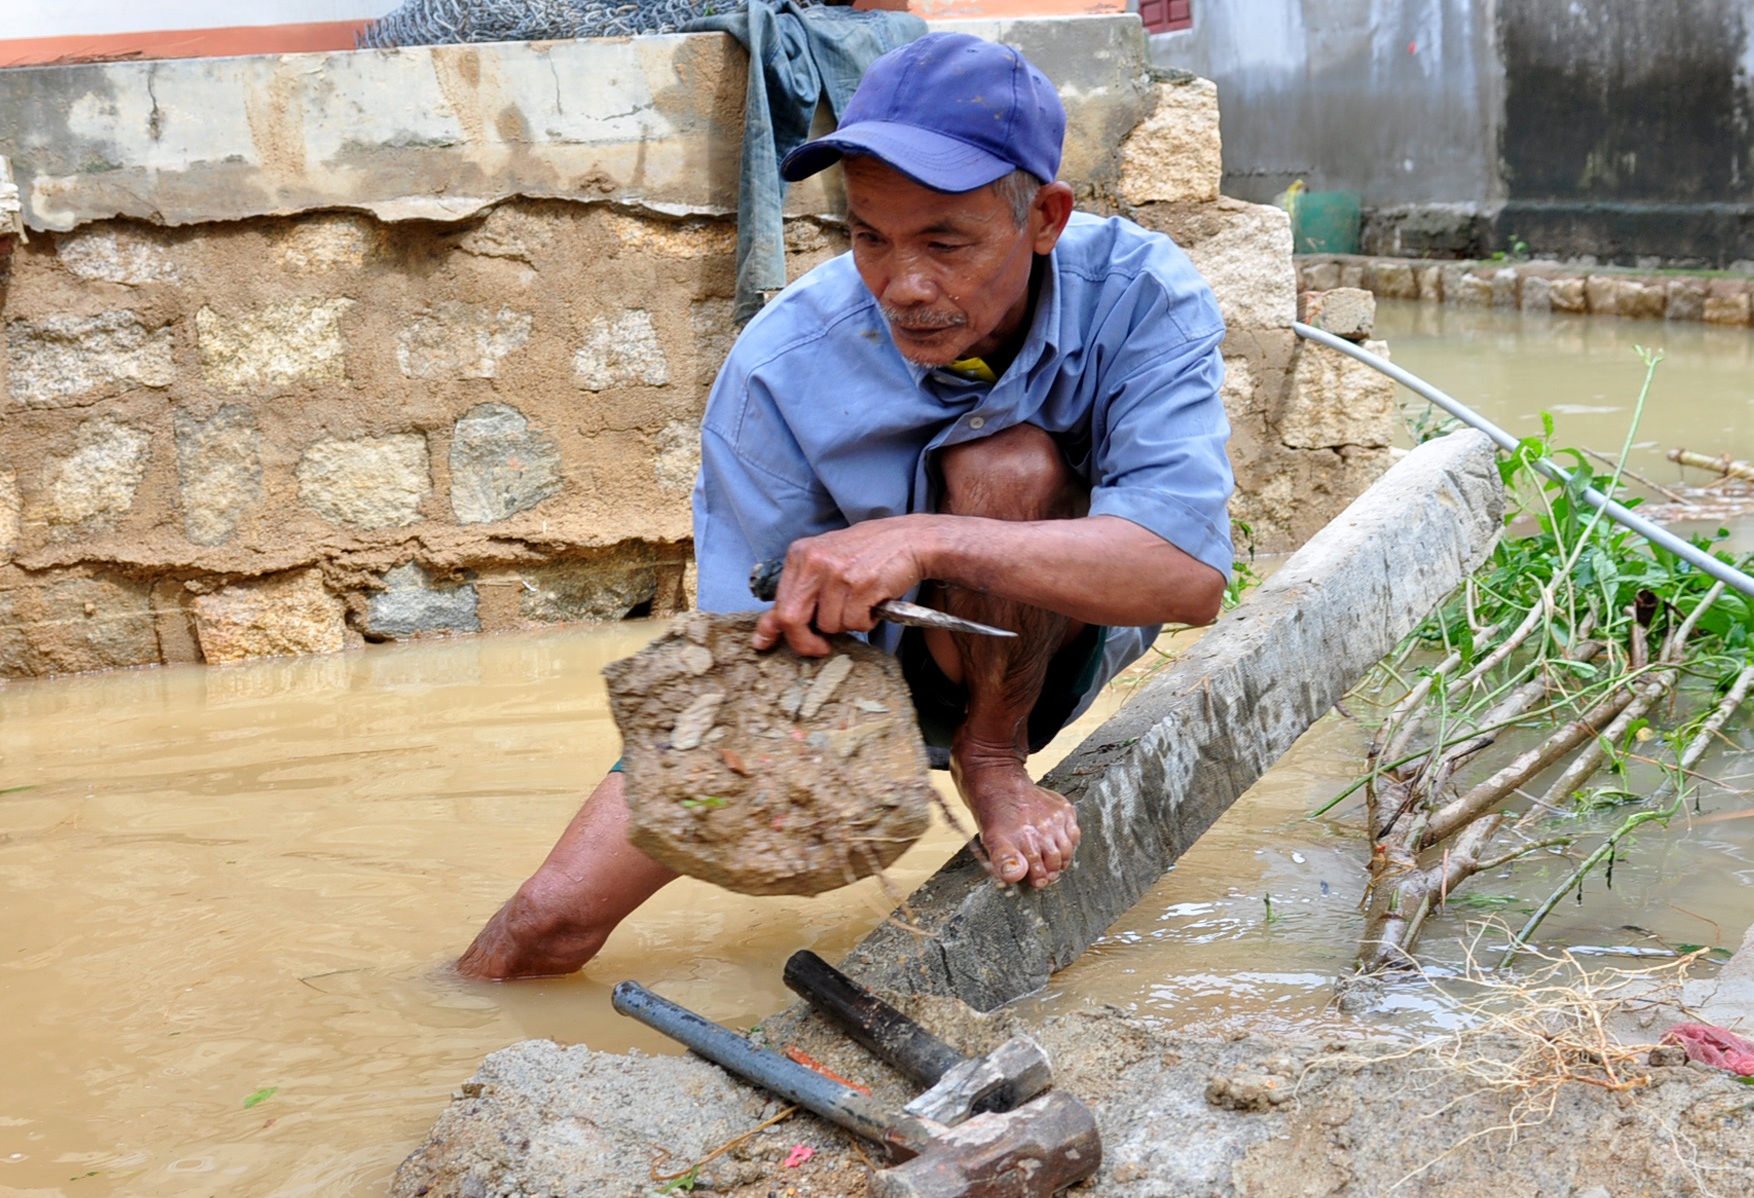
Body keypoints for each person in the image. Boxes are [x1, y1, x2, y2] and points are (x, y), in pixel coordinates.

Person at [458, 31, 1232, 980]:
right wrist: (781, 771)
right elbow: (754, 650)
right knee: (550, 917)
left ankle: (992, 755)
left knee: (1009, 466)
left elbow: (1188, 578)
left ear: (1045, 218)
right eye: (870, 238)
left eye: (945, 243)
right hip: (847, 668)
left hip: (1040, 647)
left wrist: (920, 540)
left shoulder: (1143, 295)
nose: (904, 286)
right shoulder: (780, 365)